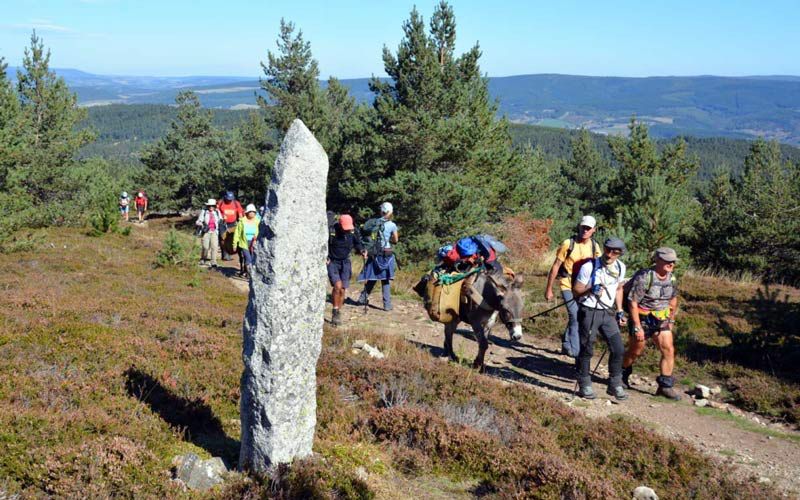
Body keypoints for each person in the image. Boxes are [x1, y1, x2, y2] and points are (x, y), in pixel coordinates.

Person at [572, 237, 628, 401]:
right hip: (589, 311)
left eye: (615, 251)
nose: (610, 254)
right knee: (587, 348)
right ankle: (584, 383)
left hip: (607, 313)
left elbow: (619, 289)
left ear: (620, 253)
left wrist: (619, 310)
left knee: (618, 349)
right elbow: (576, 290)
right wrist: (591, 289)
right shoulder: (589, 267)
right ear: (604, 248)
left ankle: (614, 383)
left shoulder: (620, 267)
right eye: (608, 249)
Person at [622, 247, 682, 400]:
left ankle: (665, 386)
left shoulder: (672, 278)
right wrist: (637, 326)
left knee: (668, 349)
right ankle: (620, 373)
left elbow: (673, 300)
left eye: (673, 261)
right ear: (658, 260)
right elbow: (633, 302)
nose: (671, 264)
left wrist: (671, 319)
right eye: (667, 261)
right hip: (642, 317)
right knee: (636, 350)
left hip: (661, 317)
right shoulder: (644, 277)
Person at [545, 215, 602, 357]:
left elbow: (599, 266)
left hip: (583, 286)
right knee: (574, 314)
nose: (585, 230)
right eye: (583, 227)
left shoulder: (595, 246)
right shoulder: (568, 244)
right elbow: (556, 266)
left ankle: (566, 343)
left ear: (594, 230)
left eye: (588, 228)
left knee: (578, 315)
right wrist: (549, 289)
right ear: (579, 226)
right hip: (567, 283)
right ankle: (576, 352)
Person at [357, 202, 399, 311]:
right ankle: (387, 305)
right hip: (386, 253)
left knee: (372, 277)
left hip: (375, 253)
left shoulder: (375, 223)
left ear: (381, 211)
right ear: (390, 212)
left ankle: (362, 298)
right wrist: (389, 239)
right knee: (385, 279)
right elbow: (396, 240)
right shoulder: (392, 225)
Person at [328, 214, 366, 326]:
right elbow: (323, 244)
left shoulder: (353, 232)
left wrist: (362, 251)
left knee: (343, 289)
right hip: (333, 261)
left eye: (349, 228)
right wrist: (325, 257)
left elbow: (358, 244)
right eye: (345, 228)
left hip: (345, 262)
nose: (347, 231)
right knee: (337, 286)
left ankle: (338, 311)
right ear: (340, 225)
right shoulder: (332, 231)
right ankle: (335, 310)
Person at [233, 204, 260, 278]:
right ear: (247, 213)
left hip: (253, 243)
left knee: (251, 258)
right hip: (244, 243)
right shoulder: (242, 222)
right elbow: (237, 233)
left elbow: (260, 232)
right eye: (250, 212)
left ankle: (247, 272)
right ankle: (249, 273)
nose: (252, 213)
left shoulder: (258, 221)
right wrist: (234, 244)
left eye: (253, 212)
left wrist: (256, 238)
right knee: (248, 259)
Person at [195, 199, 223, 268]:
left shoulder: (217, 212)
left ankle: (213, 261)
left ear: (214, 206)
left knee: (214, 247)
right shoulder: (204, 212)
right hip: (206, 232)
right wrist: (202, 224)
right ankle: (203, 259)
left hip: (215, 232)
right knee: (205, 247)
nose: (211, 207)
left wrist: (222, 221)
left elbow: (221, 220)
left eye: (212, 206)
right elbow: (198, 221)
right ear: (207, 206)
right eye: (209, 206)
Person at [217, 191, 244, 261]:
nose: (229, 200)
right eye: (228, 199)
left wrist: (241, 221)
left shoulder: (236, 203)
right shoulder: (221, 203)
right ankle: (225, 253)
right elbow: (217, 211)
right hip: (223, 223)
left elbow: (240, 212)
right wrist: (220, 218)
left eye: (230, 199)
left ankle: (231, 251)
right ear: (225, 197)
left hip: (233, 223)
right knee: (223, 238)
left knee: (231, 238)